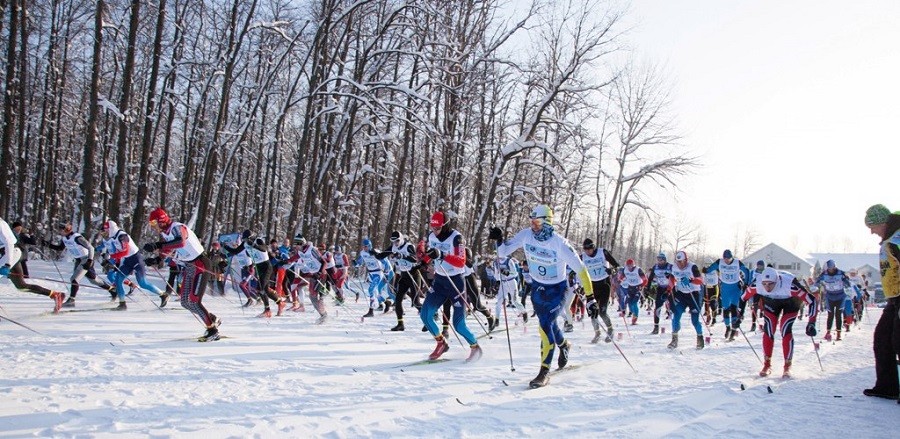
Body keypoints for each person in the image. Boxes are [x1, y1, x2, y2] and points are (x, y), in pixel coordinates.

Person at [490, 205, 593, 388]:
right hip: (538, 288)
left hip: (557, 290)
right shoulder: (526, 235)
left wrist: (591, 298)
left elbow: (582, 270)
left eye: (537, 223)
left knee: (544, 327)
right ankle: (564, 345)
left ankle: (544, 372)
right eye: (531, 222)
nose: (533, 227)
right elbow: (503, 252)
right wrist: (498, 239)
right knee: (549, 324)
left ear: (547, 222)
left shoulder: (560, 244)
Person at [143, 207, 221, 341]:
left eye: (155, 223)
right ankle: (212, 319)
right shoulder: (167, 233)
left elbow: (181, 241)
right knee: (185, 301)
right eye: (152, 225)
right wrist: (156, 260)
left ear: (162, 220)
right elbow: (169, 249)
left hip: (200, 263)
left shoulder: (177, 227)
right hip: (190, 266)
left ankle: (212, 331)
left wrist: (157, 245)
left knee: (195, 301)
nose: (155, 227)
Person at [421, 210, 482, 363]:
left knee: (459, 324)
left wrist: (442, 255)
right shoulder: (431, 236)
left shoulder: (457, 238)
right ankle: (441, 343)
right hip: (440, 280)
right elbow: (431, 253)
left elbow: (461, 261)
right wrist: (423, 262)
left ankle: (475, 347)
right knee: (425, 315)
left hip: (455, 281)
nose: (435, 231)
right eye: (433, 227)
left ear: (446, 225)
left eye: (438, 228)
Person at [741, 267, 817, 378]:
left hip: (791, 301)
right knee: (769, 329)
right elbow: (742, 298)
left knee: (785, 328)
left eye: (770, 284)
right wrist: (737, 315)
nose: (767, 287)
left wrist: (811, 322)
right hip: (771, 302)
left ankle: (787, 366)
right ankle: (767, 365)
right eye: (764, 284)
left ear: (776, 281)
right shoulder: (757, 283)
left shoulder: (791, 286)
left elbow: (812, 300)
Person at [861, 204, 900, 401]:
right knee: (883, 339)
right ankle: (888, 387)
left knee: (898, 341)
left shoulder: (897, 240)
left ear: (882, 222)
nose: (871, 231)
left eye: (872, 226)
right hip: (894, 299)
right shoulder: (890, 239)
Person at [100, 220, 169, 310]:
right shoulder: (113, 238)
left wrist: (110, 256)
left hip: (136, 259)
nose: (105, 233)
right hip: (128, 261)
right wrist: (111, 261)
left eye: (106, 231)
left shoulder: (122, 236)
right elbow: (118, 252)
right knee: (118, 280)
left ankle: (163, 295)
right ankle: (122, 304)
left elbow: (125, 251)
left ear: (111, 229)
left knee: (143, 283)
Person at [44, 223, 118, 307]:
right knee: (94, 280)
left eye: (61, 230)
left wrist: (89, 261)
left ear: (66, 230)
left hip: (86, 259)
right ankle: (113, 290)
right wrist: (48, 245)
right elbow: (60, 248)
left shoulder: (77, 238)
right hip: (79, 260)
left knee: (74, 279)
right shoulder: (65, 238)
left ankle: (71, 300)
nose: (59, 231)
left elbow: (91, 248)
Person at [0, 218, 65, 312]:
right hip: (5, 255)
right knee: (21, 286)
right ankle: (55, 295)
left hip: (12, 252)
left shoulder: (1, 224)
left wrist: (7, 264)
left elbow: (9, 243)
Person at [704, 250, 751, 342]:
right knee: (725, 310)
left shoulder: (737, 262)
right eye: (725, 258)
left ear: (731, 257)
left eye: (728, 259)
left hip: (735, 288)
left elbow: (746, 271)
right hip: (725, 288)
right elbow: (711, 268)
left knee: (734, 309)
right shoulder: (719, 262)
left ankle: (733, 332)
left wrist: (746, 283)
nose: (726, 261)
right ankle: (728, 328)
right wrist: (706, 270)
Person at [580, 238, 618, 343]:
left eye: (589, 249)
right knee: (593, 311)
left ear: (593, 247)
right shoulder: (582, 257)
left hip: (604, 284)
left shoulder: (603, 252)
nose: (588, 251)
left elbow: (617, 266)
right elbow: (574, 268)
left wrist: (612, 270)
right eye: (585, 249)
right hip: (592, 286)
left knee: (602, 311)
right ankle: (597, 333)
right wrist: (572, 275)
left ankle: (610, 329)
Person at [667, 251, 706, 350]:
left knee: (694, 320)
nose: (679, 264)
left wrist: (690, 280)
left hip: (693, 294)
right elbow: (672, 278)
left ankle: (700, 337)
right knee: (676, 315)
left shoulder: (692, 267)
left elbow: (701, 280)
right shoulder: (674, 267)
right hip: (681, 294)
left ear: (686, 260)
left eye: (681, 261)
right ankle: (674, 339)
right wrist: (669, 288)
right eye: (678, 261)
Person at [814, 260, 852, 341]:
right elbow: (817, 281)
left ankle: (838, 334)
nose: (830, 270)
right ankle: (828, 332)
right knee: (830, 315)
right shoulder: (824, 274)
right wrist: (817, 285)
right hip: (829, 296)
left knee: (838, 314)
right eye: (829, 269)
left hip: (840, 296)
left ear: (835, 267)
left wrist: (846, 283)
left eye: (832, 268)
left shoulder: (841, 273)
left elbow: (848, 283)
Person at [357, 238, 387, 318]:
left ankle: (371, 311)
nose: (364, 248)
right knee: (375, 293)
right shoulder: (362, 253)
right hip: (370, 274)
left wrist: (386, 271)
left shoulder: (375, 252)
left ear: (370, 246)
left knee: (371, 290)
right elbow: (359, 263)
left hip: (378, 273)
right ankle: (386, 302)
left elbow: (384, 261)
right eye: (363, 246)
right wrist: (355, 263)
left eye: (366, 246)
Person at [646, 252, 674, 334]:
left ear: (665, 259)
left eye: (661, 259)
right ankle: (656, 327)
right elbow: (650, 278)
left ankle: (675, 327)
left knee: (673, 308)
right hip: (660, 288)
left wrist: (670, 275)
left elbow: (676, 277)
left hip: (670, 289)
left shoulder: (670, 266)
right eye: (658, 259)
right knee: (657, 308)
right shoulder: (655, 267)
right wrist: (647, 288)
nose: (659, 261)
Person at [618, 258, 647, 326]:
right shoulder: (625, 270)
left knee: (634, 303)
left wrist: (641, 285)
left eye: (631, 266)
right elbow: (621, 277)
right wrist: (620, 279)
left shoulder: (638, 270)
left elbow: (645, 280)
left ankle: (635, 318)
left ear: (633, 265)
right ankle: (633, 314)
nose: (629, 267)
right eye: (628, 266)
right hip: (630, 287)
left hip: (637, 287)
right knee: (630, 303)